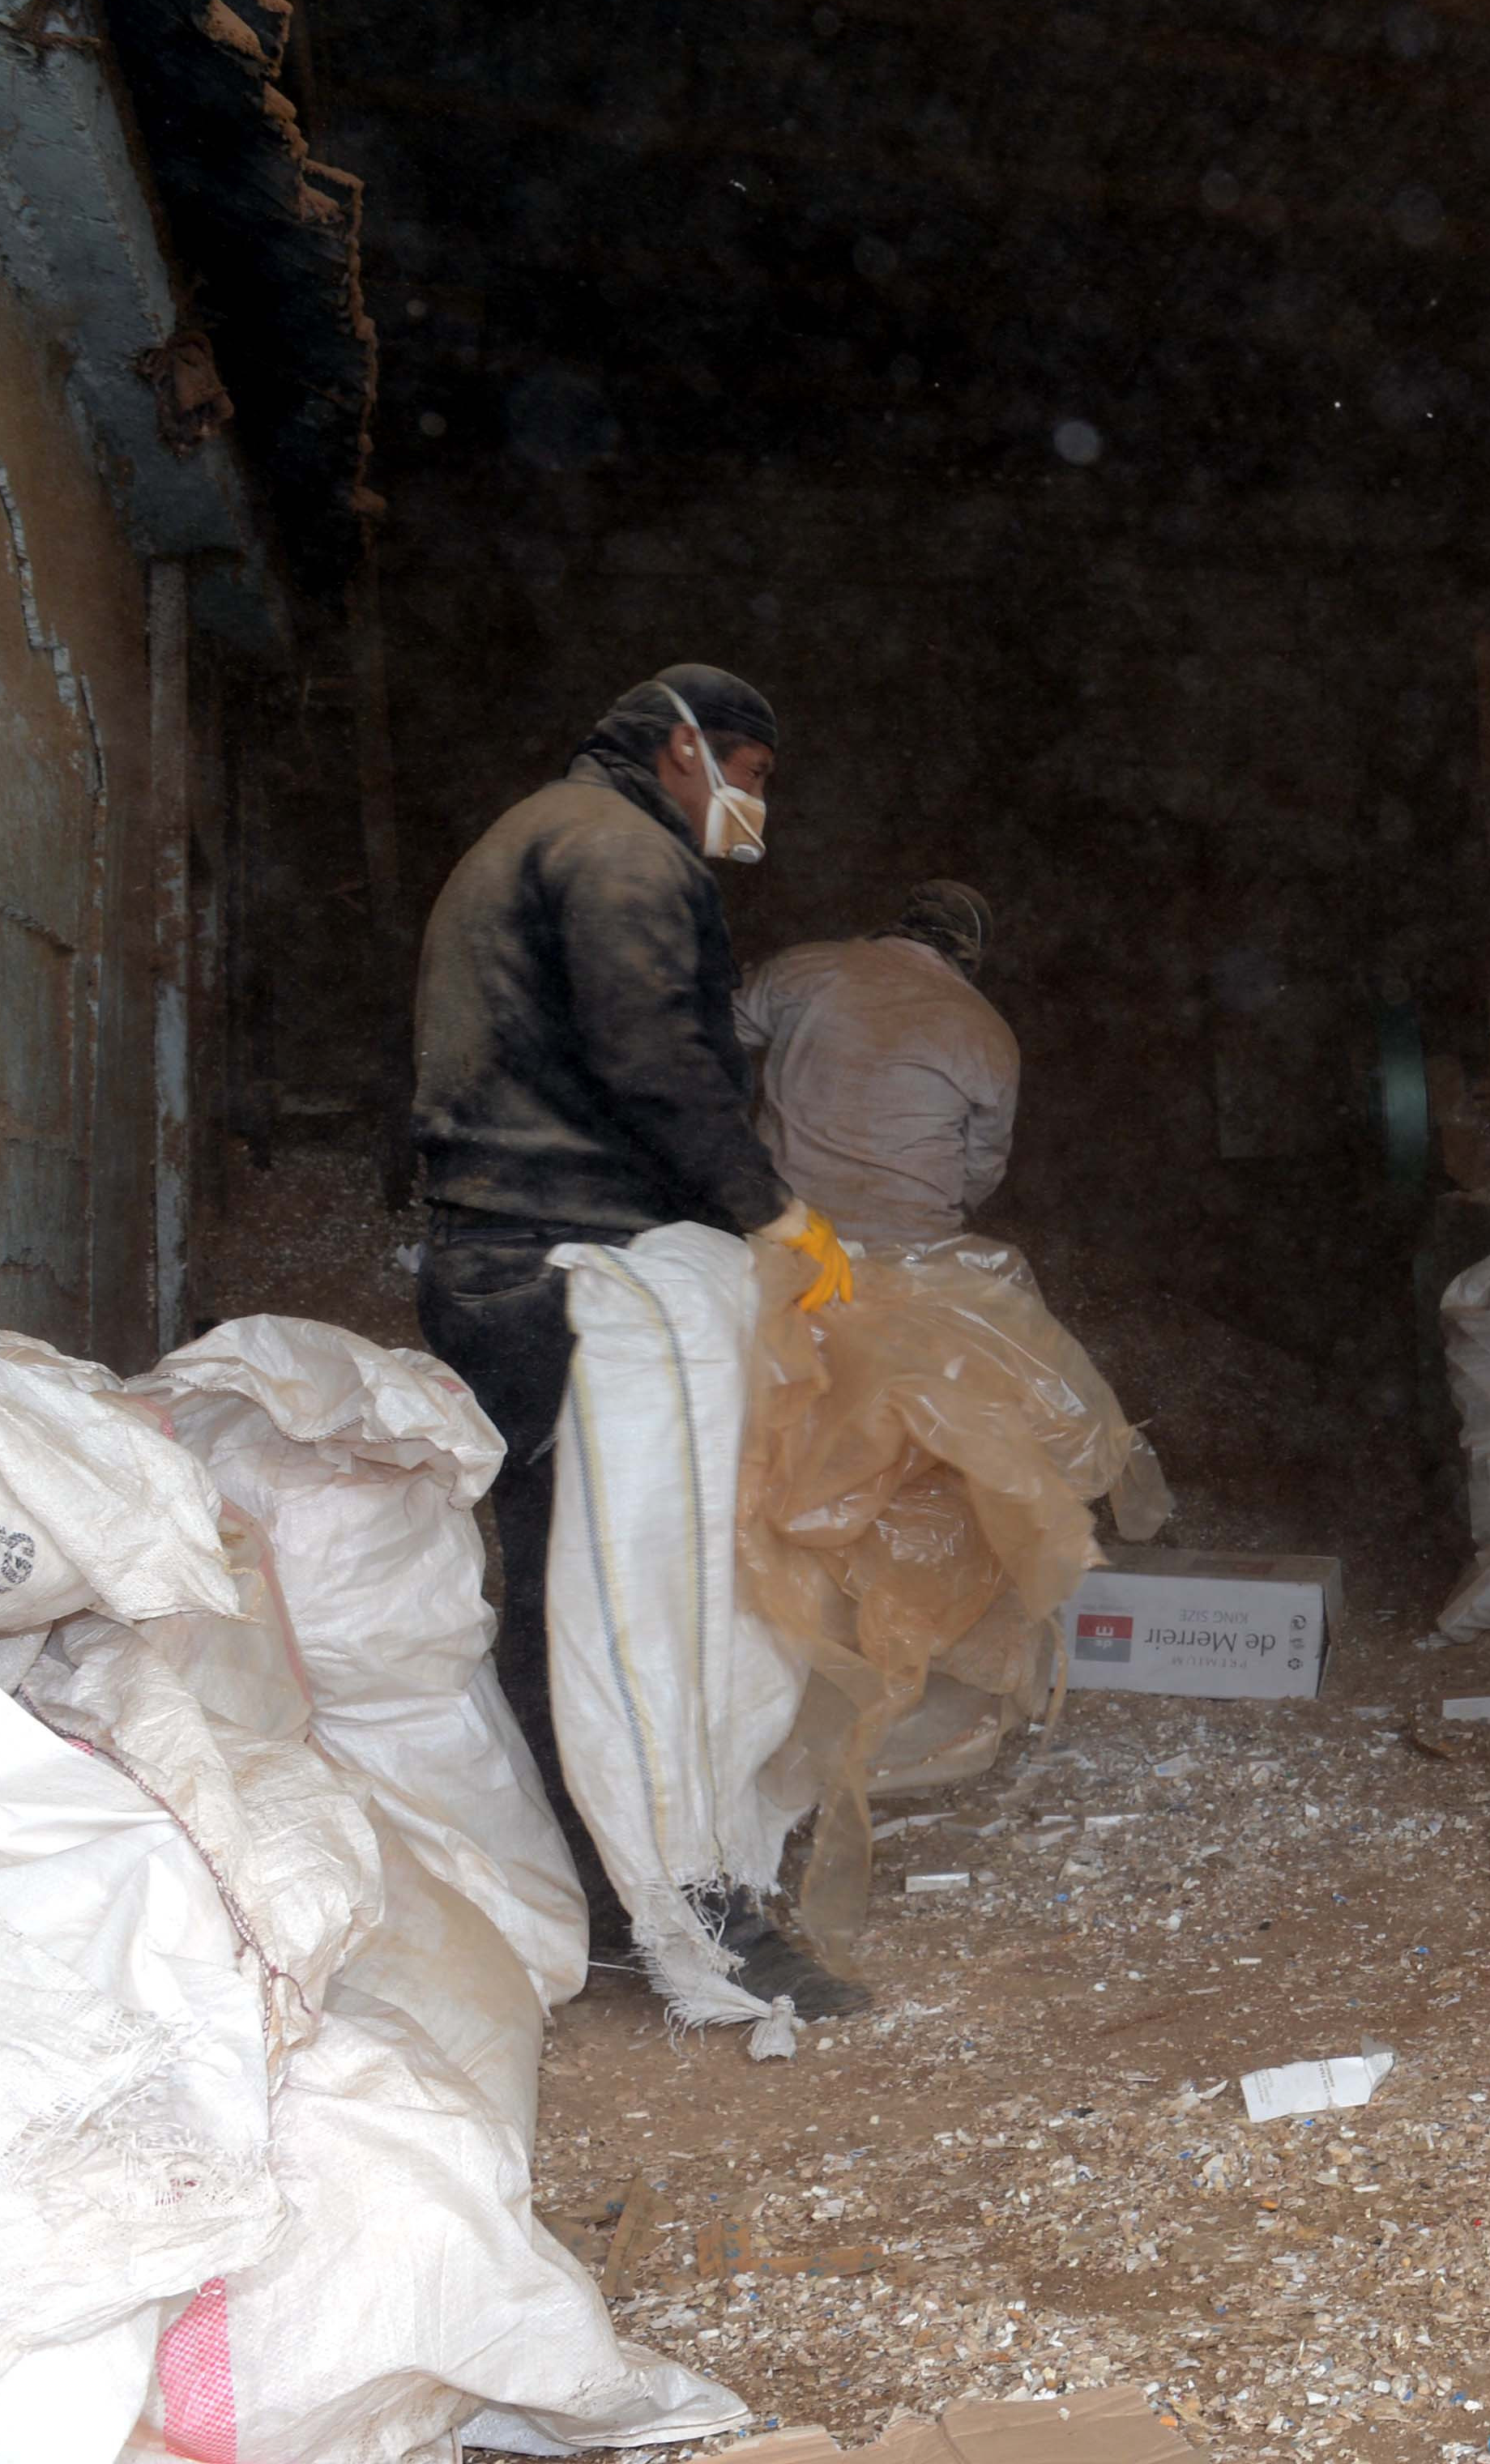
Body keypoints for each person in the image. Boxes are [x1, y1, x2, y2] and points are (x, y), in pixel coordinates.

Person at [410, 662, 869, 2018]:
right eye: (752, 774)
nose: (756, 805)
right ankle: (698, 1922)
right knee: (651, 1606)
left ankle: (592, 1885)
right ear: (683, 749)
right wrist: (773, 1213)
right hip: (583, 1270)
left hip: (490, 1258)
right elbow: (655, 1059)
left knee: (559, 1597)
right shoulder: (621, 854)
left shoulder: (529, 835)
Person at [734, 880, 1020, 1244]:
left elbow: (713, 1036)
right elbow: (982, 1167)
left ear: (906, 920)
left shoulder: (805, 967)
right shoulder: (990, 1033)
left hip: (784, 1224)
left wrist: (724, 1145)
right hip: (911, 1246)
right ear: (971, 955)